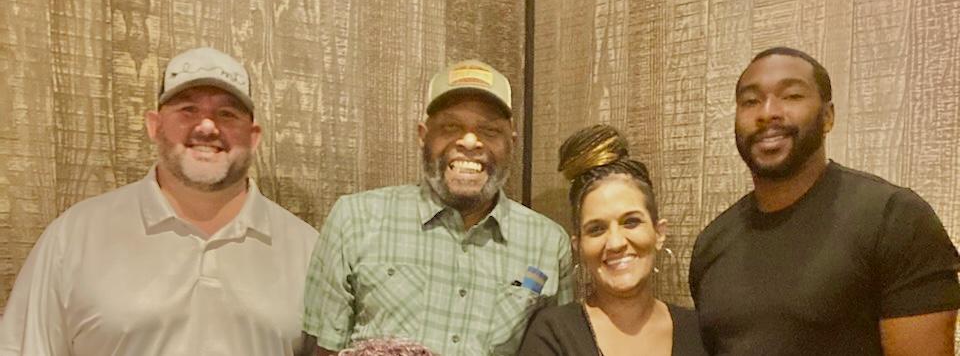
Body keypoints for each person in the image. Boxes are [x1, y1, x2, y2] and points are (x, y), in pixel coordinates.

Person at [0, 47, 319, 355]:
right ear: (155, 125)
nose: (207, 126)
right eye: (188, 110)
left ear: (254, 136)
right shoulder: (74, 236)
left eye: (227, 113)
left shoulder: (307, 249)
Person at [689, 46, 960, 355]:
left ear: (828, 116)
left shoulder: (895, 218)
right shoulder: (712, 243)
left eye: (791, 96)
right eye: (750, 101)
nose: (767, 112)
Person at [299, 59, 573, 356]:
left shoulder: (548, 244)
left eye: (490, 130)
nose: (470, 141)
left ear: (511, 143)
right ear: (423, 135)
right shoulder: (355, 219)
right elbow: (323, 350)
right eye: (451, 127)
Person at [519, 125, 707, 356]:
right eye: (597, 229)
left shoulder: (698, 332)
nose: (616, 243)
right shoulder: (553, 333)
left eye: (631, 222)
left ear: (659, 233)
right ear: (578, 246)